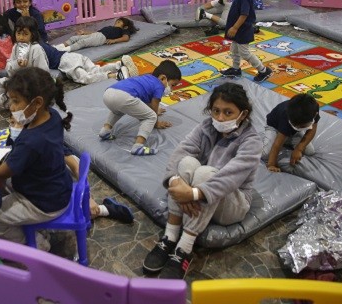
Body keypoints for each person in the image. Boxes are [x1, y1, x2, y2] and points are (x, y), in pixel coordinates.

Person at [142, 83, 261, 279]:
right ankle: (170, 236)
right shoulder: (207, 126)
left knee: (206, 173)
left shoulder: (252, 141)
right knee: (186, 162)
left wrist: (193, 193)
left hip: (232, 203)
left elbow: (230, 177)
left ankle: (184, 248)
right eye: (216, 111)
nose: (220, 118)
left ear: (243, 114)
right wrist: (174, 181)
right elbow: (182, 150)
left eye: (228, 112)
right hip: (198, 194)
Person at [0, 67, 73, 246]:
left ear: (37, 102)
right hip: (56, 188)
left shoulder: (31, 141)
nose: (11, 107)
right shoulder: (53, 116)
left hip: (43, 203)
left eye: (16, 101)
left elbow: (2, 172)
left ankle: (37, 244)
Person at [0, 16, 138, 108]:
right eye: (18, 33)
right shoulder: (17, 47)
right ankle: (118, 65)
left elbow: (43, 75)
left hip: (66, 61)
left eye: (25, 34)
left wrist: (24, 75)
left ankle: (115, 75)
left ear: (32, 35)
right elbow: (10, 68)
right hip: (71, 56)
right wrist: (17, 65)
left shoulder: (36, 49)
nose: (21, 37)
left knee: (85, 77)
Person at [99, 60, 181, 156]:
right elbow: (154, 104)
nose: (172, 89)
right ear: (163, 78)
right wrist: (156, 123)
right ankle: (138, 146)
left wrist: (155, 109)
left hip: (109, 92)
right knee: (151, 117)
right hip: (124, 97)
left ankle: (105, 131)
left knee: (118, 110)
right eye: (172, 85)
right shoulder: (159, 86)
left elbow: (144, 103)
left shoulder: (146, 78)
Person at [220, 0, 273, 83]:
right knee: (234, 49)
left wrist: (234, 27)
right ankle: (235, 69)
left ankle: (263, 70)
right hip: (238, 29)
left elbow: (244, 15)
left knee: (244, 53)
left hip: (242, 29)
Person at [262, 94, 319, 173]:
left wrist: (299, 148)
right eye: (296, 126)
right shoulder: (285, 118)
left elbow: (312, 129)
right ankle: (264, 141)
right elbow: (277, 144)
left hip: (293, 131)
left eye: (302, 126)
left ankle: (287, 139)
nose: (299, 127)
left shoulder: (313, 110)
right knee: (265, 155)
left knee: (310, 151)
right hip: (274, 128)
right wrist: (271, 165)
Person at [56, 17, 137, 52]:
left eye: (119, 22)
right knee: (75, 38)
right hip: (98, 34)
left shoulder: (123, 30)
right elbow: (96, 32)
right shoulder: (110, 27)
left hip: (102, 38)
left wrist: (114, 40)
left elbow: (126, 38)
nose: (116, 22)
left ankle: (63, 50)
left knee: (82, 42)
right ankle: (60, 46)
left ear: (125, 26)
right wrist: (84, 32)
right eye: (117, 21)